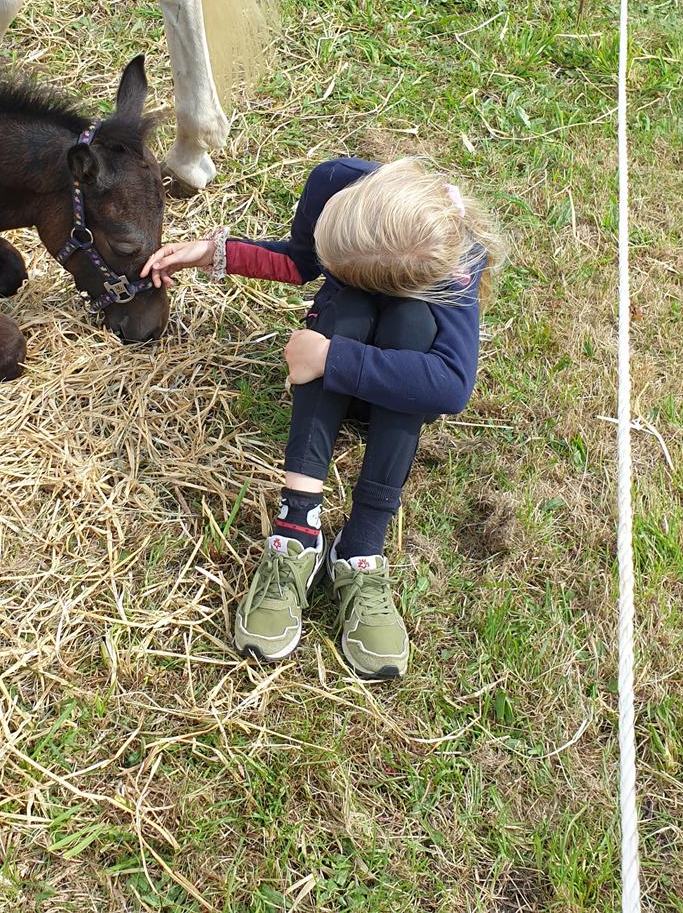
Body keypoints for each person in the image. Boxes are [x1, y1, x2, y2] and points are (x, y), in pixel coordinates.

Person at [141, 157, 505, 680]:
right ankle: (297, 532)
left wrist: (332, 360)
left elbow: (450, 384)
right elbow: (299, 261)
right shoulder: (335, 181)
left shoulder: (452, 253)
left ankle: (361, 550)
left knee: (410, 321)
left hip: (392, 374)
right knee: (346, 310)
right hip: (338, 342)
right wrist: (208, 253)